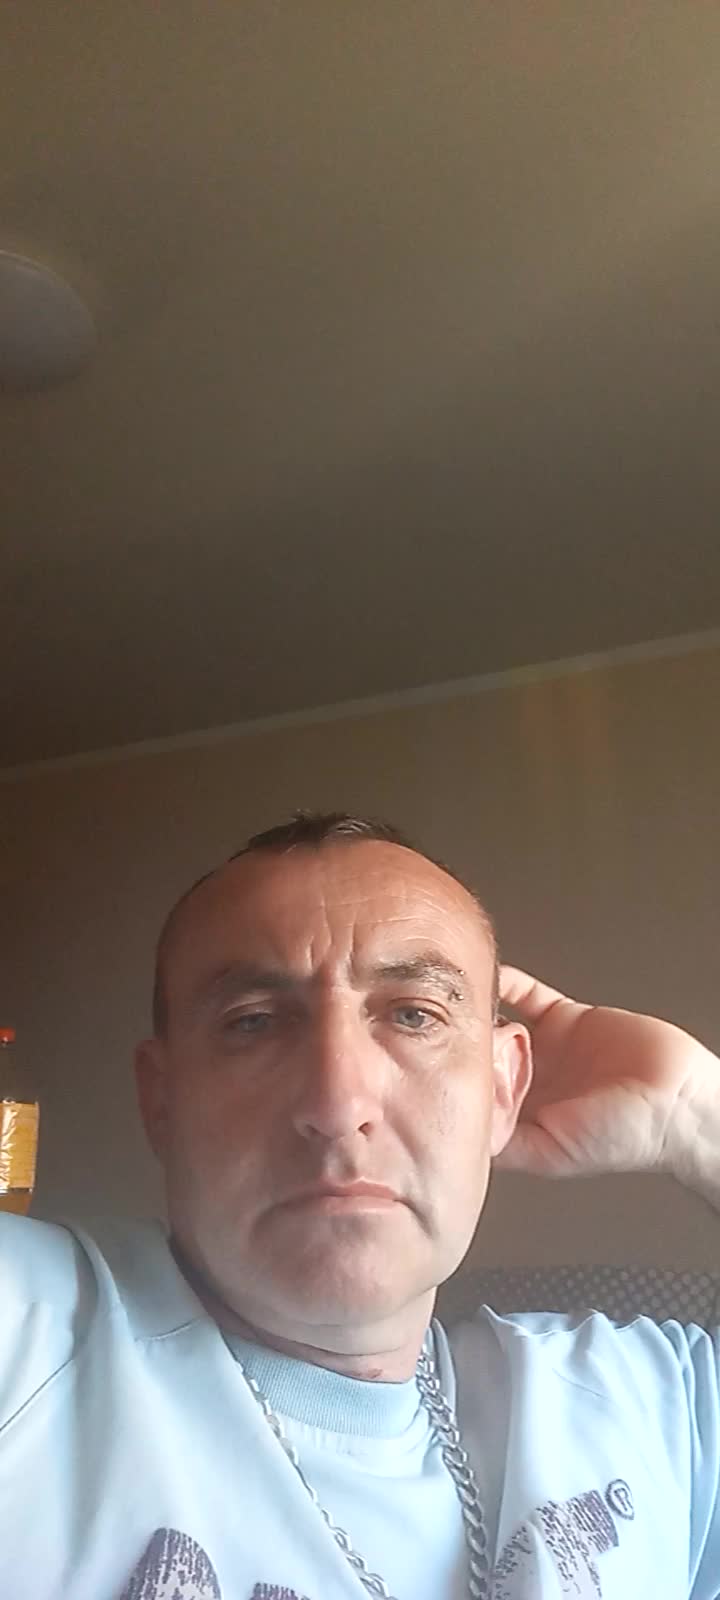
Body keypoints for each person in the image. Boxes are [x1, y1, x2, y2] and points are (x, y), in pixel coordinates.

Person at [1, 811, 718, 1600]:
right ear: (161, 1100)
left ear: (503, 1088)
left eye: (414, 1014)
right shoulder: (30, 1336)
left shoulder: (652, 1407)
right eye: (253, 1022)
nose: (338, 1106)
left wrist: (695, 1118)